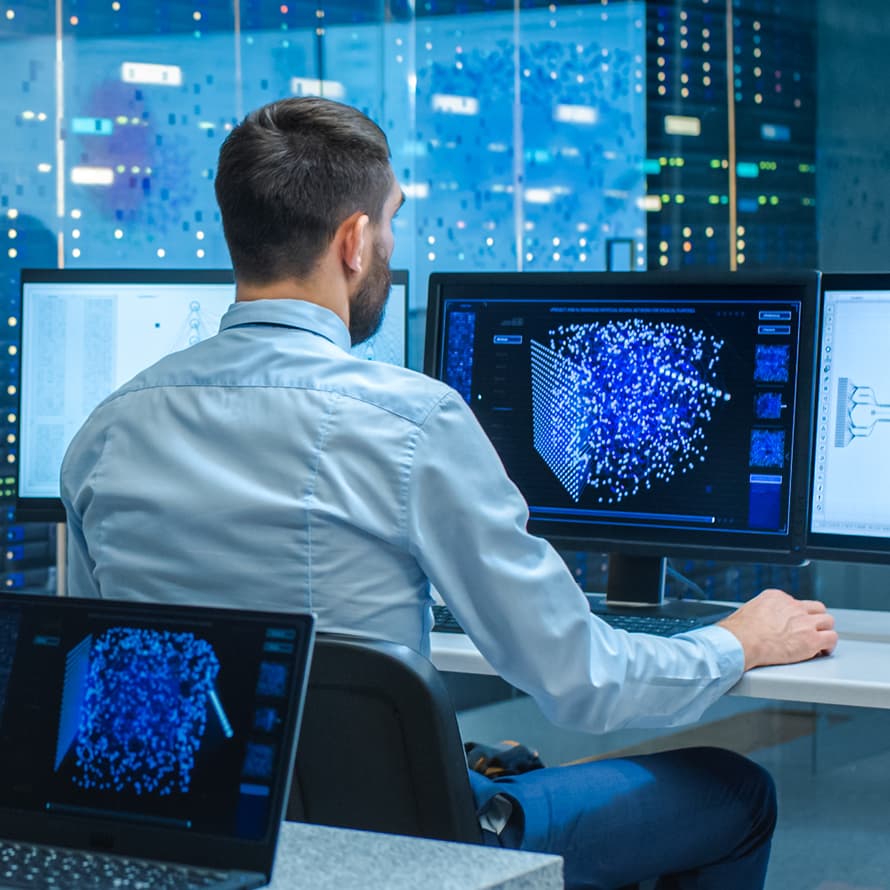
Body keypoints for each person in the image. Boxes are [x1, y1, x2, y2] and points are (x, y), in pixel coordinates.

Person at [60, 96, 837, 890]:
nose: (390, 245)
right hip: (394, 859)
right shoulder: (409, 423)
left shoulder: (105, 432)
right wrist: (738, 641)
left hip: (197, 852)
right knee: (734, 791)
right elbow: (582, 681)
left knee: (504, 763)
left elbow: (97, 679)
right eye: (390, 222)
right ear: (353, 241)